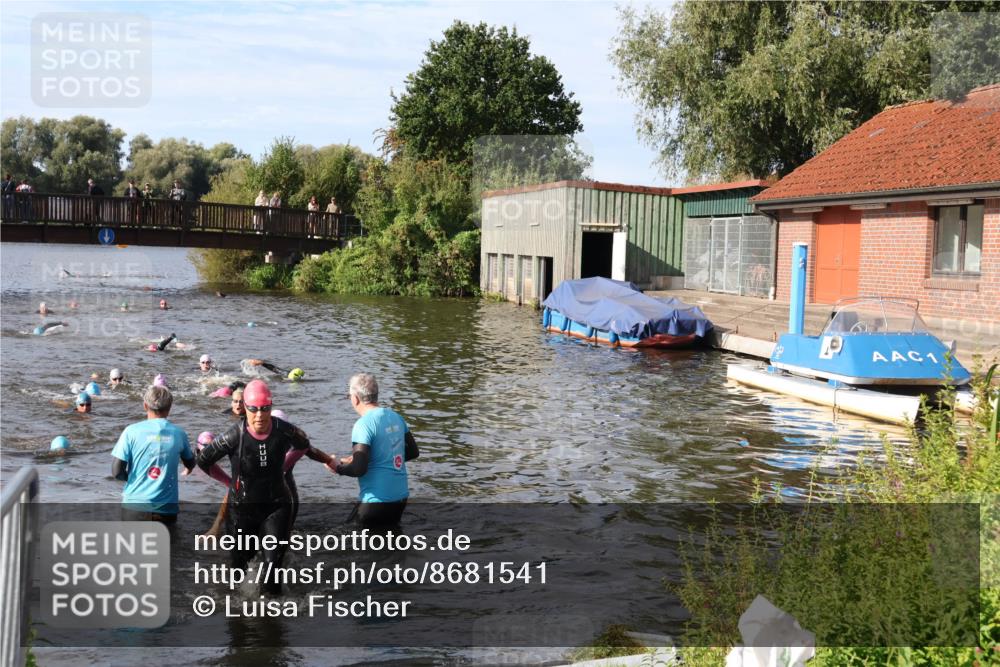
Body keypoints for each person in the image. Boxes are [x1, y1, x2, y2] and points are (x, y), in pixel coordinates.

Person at [197, 380, 331, 593]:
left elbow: (304, 445)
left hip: (276, 507)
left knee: (272, 574)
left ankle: (274, 617)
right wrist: (228, 482)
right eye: (253, 409)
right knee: (238, 574)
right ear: (246, 409)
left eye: (265, 409)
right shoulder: (234, 435)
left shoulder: (284, 430)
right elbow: (204, 460)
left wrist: (283, 467)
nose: (259, 415)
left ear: (270, 407)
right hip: (242, 509)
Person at [333, 373, 419, 527]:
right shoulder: (395, 416)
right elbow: (413, 452)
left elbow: (359, 469)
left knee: (353, 543)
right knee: (390, 543)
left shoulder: (363, 424)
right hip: (400, 498)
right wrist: (369, 459)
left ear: (355, 398)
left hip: (377, 500)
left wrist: (337, 468)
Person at [111, 385, 195, 523]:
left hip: (134, 507)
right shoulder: (178, 433)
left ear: (145, 405)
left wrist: (135, 479)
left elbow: (116, 472)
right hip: (165, 510)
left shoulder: (130, 432)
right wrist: (189, 466)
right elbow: (190, 462)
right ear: (170, 408)